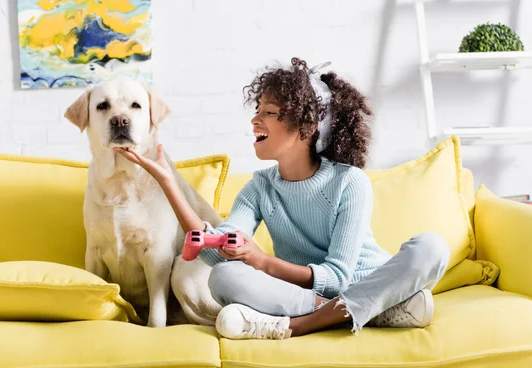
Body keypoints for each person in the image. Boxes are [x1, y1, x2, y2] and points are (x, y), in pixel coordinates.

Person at [115, 57, 450, 340]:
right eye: (257, 109)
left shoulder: (350, 182)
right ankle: (380, 309)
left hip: (364, 279)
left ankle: (298, 326)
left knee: (432, 248)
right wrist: (168, 182)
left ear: (306, 127)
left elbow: (337, 278)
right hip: (310, 294)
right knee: (224, 277)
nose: (255, 119)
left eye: (270, 112)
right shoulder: (260, 187)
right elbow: (216, 256)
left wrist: (262, 261)